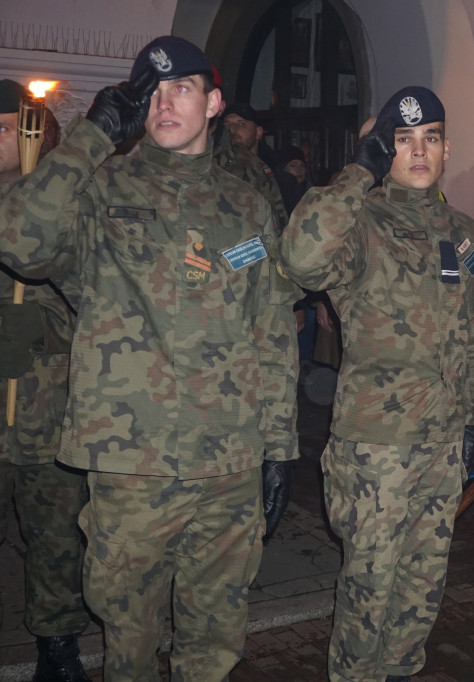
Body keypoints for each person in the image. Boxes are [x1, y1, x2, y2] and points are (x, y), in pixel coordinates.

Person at [0, 36, 300, 681]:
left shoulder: (245, 203)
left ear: (214, 102)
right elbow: (18, 239)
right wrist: (92, 135)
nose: (164, 102)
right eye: (150, 92)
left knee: (216, 633)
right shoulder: (99, 190)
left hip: (229, 458)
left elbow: (270, 329)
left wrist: (279, 445)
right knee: (129, 638)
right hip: (132, 461)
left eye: (181, 88)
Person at [280, 85, 474, 682]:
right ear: (382, 150)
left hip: (443, 440)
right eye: (402, 141)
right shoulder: (360, 223)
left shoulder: (465, 230)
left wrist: (473, 416)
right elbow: (300, 259)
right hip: (377, 445)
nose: (418, 152)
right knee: (369, 587)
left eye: (430, 139)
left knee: (424, 581)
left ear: (446, 148)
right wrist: (357, 175)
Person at [0, 80, 91, 682]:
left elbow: (94, 296)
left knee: (55, 538)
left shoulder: (59, 205)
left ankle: (56, 646)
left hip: (42, 412)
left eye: (6, 127)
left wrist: (45, 321)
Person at [213, 102, 288, 232]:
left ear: (258, 132)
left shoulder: (279, 176)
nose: (232, 129)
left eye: (241, 124)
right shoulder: (215, 167)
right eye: (227, 124)